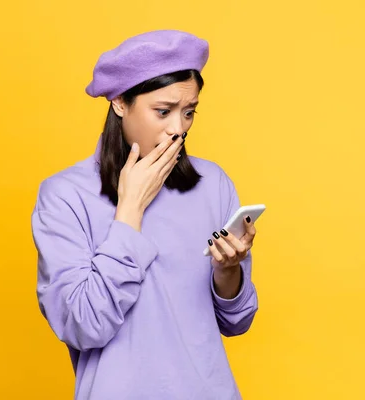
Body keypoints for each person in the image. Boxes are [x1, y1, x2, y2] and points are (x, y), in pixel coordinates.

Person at [31, 29, 259, 400]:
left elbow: (237, 322)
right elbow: (83, 326)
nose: (177, 129)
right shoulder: (65, 196)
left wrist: (229, 269)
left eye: (189, 113)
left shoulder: (212, 183)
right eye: (163, 111)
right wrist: (131, 210)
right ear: (120, 102)